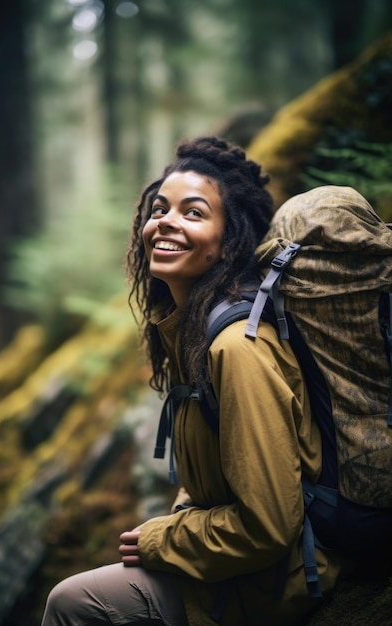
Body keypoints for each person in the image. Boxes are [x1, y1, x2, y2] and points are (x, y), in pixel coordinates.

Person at [41, 136, 349, 626]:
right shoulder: (193, 332)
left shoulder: (237, 347)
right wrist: (176, 520)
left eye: (193, 212)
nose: (165, 221)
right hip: (240, 567)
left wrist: (161, 539)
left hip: (280, 577)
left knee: (72, 604)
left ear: (230, 240)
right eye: (160, 208)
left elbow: (268, 527)